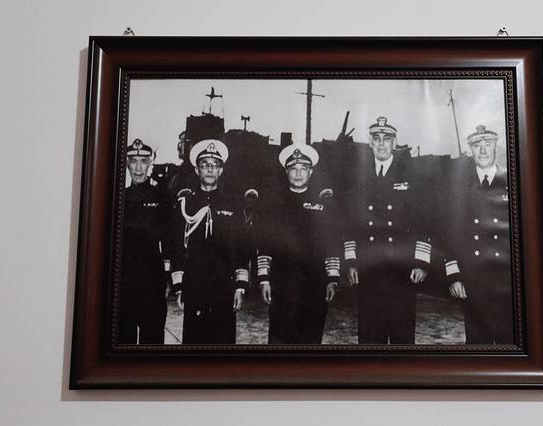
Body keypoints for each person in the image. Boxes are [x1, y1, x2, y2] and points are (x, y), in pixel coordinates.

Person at [344, 117, 432, 344]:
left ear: (395, 143)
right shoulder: (358, 176)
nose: (381, 144)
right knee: (370, 336)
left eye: (386, 139)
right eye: (376, 139)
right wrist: (351, 260)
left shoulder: (411, 175)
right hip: (369, 267)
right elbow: (350, 222)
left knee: (402, 336)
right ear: (370, 143)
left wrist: (421, 262)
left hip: (402, 269)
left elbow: (424, 221)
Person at [256, 143, 340, 344]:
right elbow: (265, 244)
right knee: (280, 340)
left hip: (314, 285)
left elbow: (331, 243)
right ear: (286, 171)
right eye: (293, 168)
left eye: (304, 169)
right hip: (282, 285)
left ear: (311, 172)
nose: (298, 173)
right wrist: (264, 279)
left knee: (310, 340)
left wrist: (332, 278)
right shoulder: (273, 205)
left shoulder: (323, 206)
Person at [170, 139, 249, 344]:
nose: (210, 169)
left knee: (223, 341)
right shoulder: (185, 204)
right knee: (194, 342)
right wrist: (180, 287)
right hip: (194, 284)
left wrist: (239, 286)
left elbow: (242, 246)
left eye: (215, 165)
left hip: (224, 284)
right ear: (197, 170)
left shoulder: (233, 204)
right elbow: (177, 246)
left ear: (221, 170)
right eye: (205, 164)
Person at [444, 125, 514, 344]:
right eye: (477, 146)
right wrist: (454, 276)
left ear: (495, 146)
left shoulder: (512, 182)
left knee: (509, 344)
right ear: (471, 150)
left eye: (487, 144)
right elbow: (450, 234)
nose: (483, 150)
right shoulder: (459, 188)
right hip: (474, 283)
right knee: (478, 345)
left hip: (507, 282)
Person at [119, 138, 168, 344]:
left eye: (144, 161)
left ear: (150, 164)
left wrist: (167, 277)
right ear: (127, 164)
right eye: (133, 161)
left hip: (152, 280)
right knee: (122, 340)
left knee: (152, 340)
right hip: (123, 281)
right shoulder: (119, 197)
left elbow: (169, 239)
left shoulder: (162, 197)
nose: (138, 168)